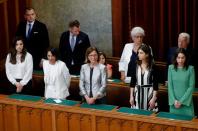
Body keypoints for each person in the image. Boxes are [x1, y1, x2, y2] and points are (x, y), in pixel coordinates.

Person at [130, 44, 158, 111]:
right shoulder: (135, 66)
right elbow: (132, 83)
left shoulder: (153, 67)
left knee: (149, 116)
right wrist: (131, 96)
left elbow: (155, 84)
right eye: (138, 53)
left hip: (149, 95)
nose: (138, 55)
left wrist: (154, 98)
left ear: (147, 54)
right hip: (137, 94)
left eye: (141, 53)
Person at [168, 48, 195, 116]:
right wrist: (174, 101)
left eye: (183, 58)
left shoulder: (190, 69)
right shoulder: (171, 68)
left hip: (186, 104)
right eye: (178, 57)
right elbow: (170, 86)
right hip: (174, 103)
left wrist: (181, 101)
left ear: (186, 58)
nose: (180, 60)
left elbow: (191, 87)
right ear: (176, 58)